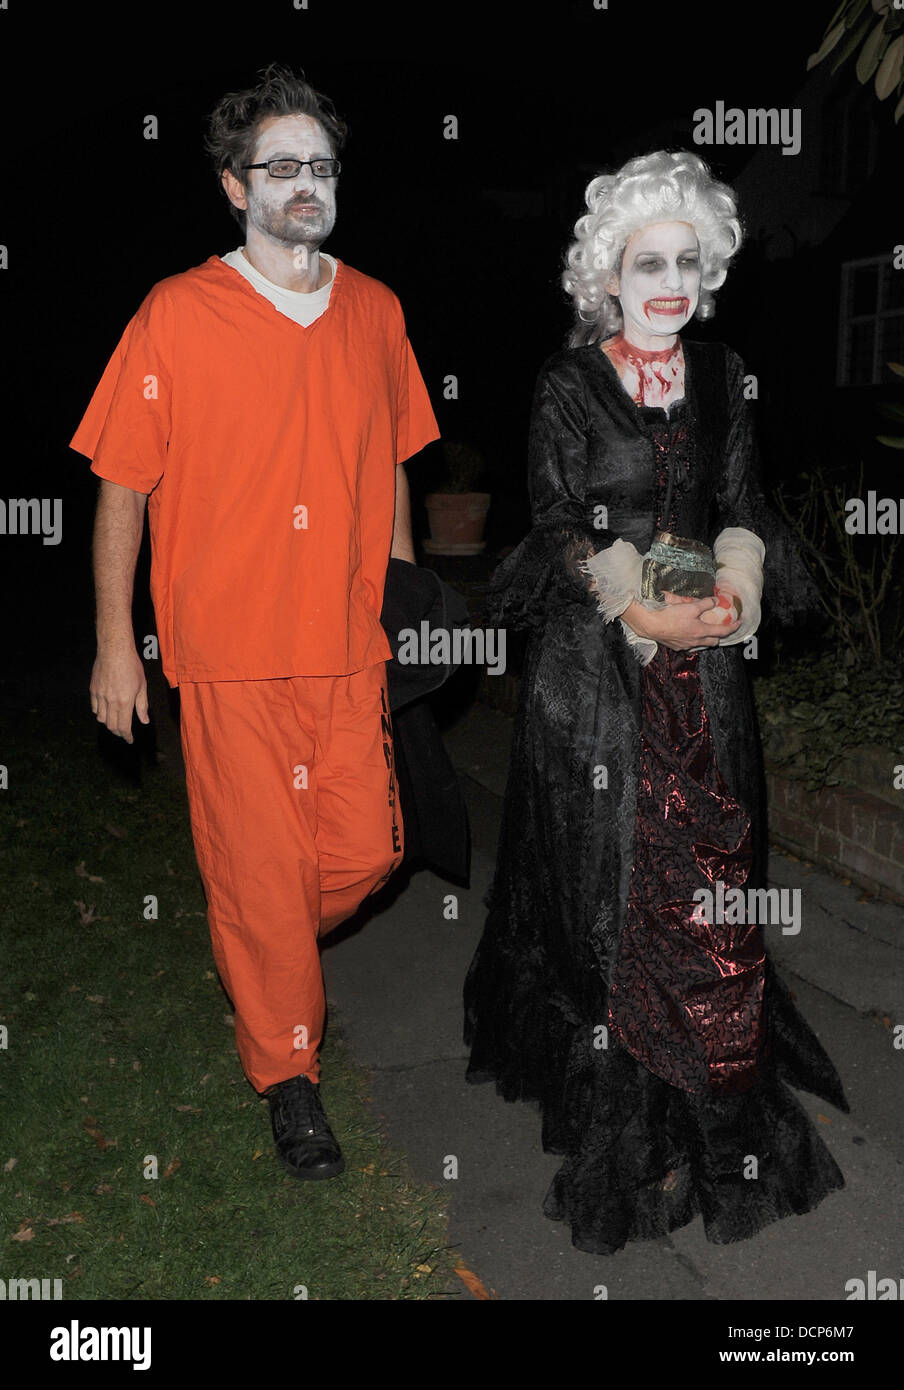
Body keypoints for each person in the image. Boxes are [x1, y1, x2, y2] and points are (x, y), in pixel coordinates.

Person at [463, 150, 848, 1255]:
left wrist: (737, 590)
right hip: (599, 676)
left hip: (707, 673)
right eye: (648, 263)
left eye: (688, 261)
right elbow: (558, 521)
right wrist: (643, 612)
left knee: (711, 890)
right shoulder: (567, 383)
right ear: (608, 275)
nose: (670, 282)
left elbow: (741, 499)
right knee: (611, 892)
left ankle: (708, 1092)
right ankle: (627, 1114)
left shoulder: (724, 373)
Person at [71, 65, 439, 1181]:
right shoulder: (177, 312)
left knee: (370, 854)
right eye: (280, 166)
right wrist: (115, 643)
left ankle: (257, 934)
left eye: (320, 164)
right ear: (235, 187)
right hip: (227, 653)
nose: (305, 183)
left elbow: (391, 464)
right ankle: (290, 1079)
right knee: (266, 877)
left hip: (348, 646)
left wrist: (405, 600)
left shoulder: (376, 310)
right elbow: (122, 486)